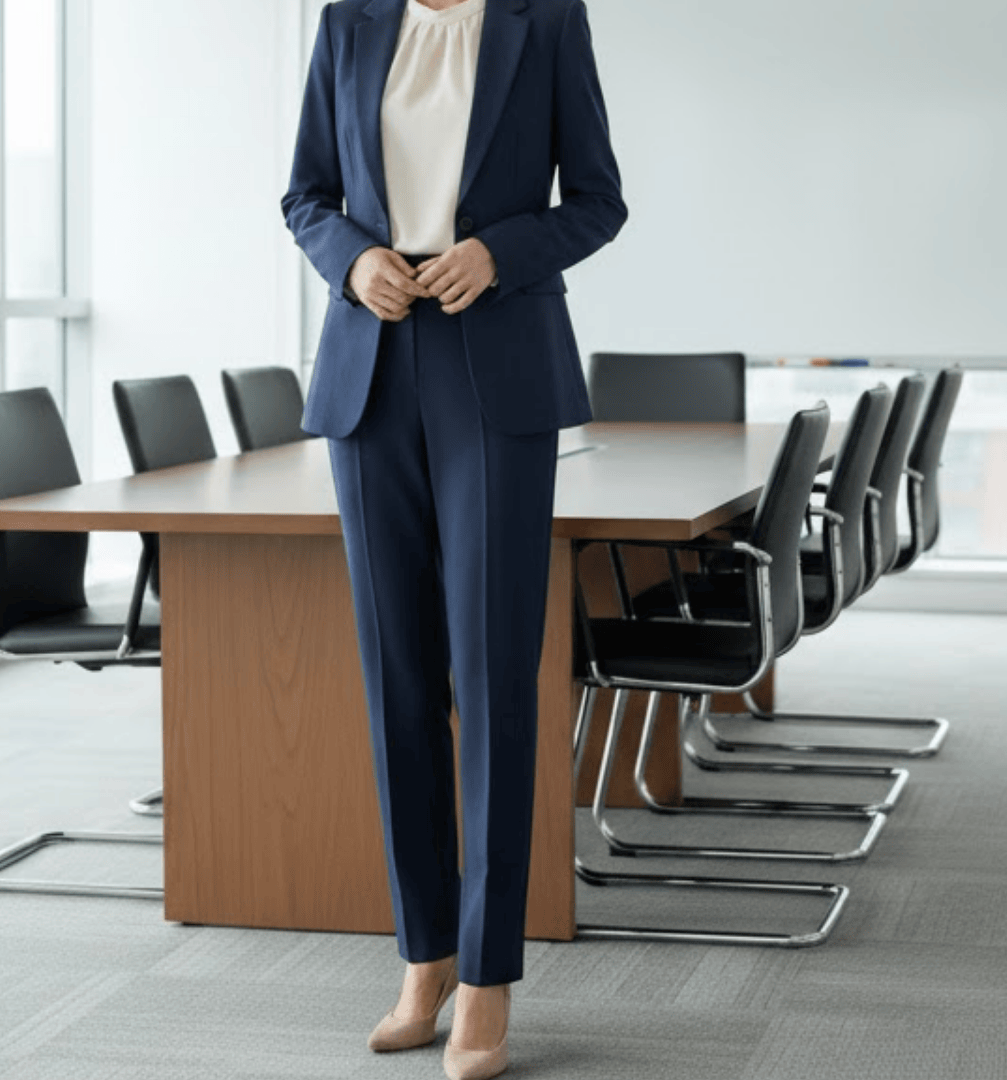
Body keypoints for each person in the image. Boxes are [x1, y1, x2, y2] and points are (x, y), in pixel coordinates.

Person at [282, 0, 624, 1076]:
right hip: (370, 371)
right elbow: (305, 194)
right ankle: (423, 956)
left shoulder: (545, 20)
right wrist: (349, 261)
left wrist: (499, 251)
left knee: (492, 678)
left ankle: (487, 977)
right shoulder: (349, 22)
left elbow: (599, 202)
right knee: (396, 679)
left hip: (497, 370)